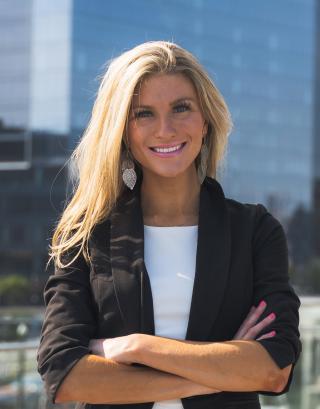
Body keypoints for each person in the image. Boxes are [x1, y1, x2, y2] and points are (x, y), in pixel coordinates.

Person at [37, 41, 301, 409]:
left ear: (205, 120)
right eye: (143, 113)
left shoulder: (255, 230)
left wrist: (138, 347)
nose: (165, 129)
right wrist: (221, 373)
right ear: (124, 131)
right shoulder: (85, 236)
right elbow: (64, 375)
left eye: (181, 108)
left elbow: (274, 369)